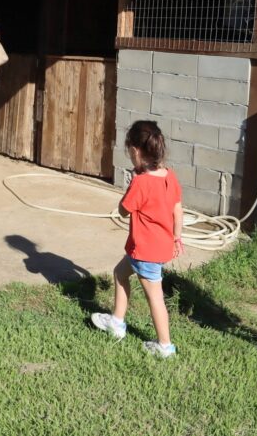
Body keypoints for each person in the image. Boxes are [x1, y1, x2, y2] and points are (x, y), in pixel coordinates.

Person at [91, 121, 184, 358]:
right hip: (156, 246)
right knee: (120, 273)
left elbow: (123, 210)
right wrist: (177, 236)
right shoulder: (169, 177)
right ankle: (117, 323)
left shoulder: (141, 183)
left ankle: (165, 346)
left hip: (145, 251)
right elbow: (177, 209)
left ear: (135, 151)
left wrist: (132, 184)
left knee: (155, 297)